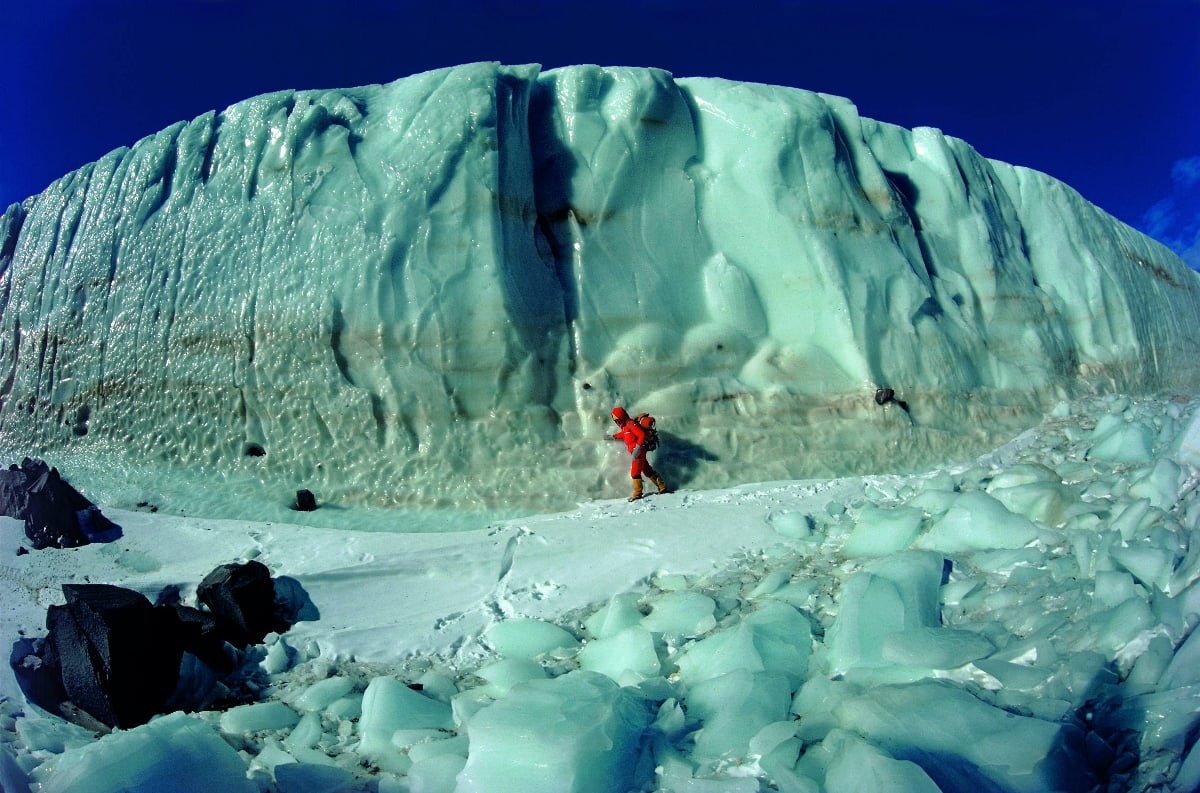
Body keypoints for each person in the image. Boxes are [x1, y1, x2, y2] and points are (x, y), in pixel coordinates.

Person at [610, 406, 668, 501]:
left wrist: (637, 448)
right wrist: (612, 437)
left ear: (621, 417)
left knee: (635, 472)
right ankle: (662, 487)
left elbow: (641, 435)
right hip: (637, 452)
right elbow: (623, 435)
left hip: (638, 451)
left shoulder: (630, 423)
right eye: (615, 420)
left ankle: (638, 493)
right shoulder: (625, 427)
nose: (617, 422)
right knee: (646, 469)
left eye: (617, 419)